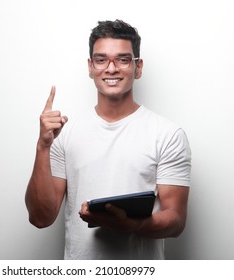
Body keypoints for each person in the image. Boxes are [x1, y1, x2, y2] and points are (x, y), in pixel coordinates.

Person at [25, 19, 191, 260]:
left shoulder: (167, 134)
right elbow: (41, 218)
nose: (111, 68)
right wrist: (43, 146)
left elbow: (176, 221)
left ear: (138, 67)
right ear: (90, 67)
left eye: (123, 59)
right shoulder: (65, 133)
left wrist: (131, 225)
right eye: (101, 60)